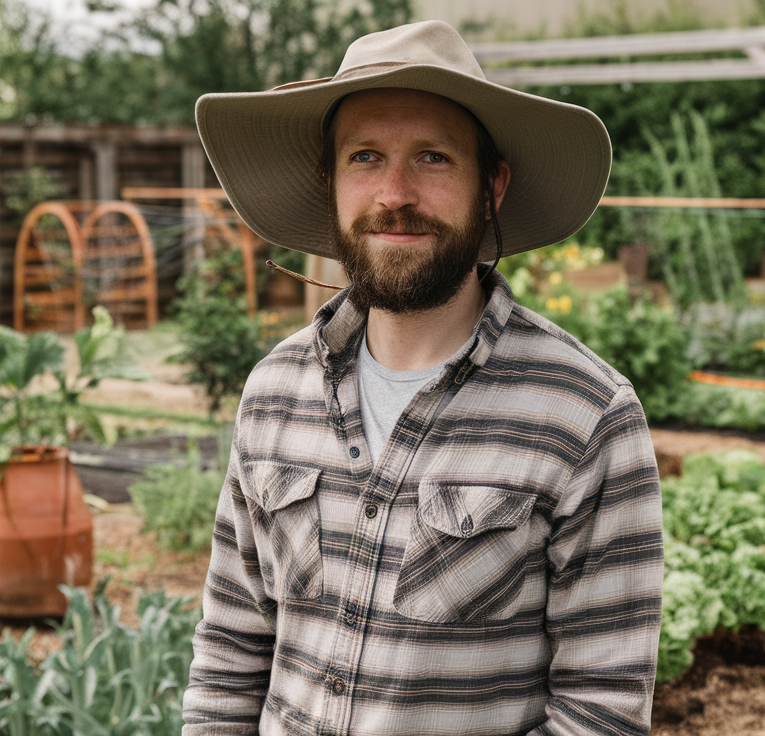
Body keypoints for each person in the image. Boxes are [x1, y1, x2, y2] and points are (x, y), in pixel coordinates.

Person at [182, 19, 664, 736]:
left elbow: (602, 710)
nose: (394, 193)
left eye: (433, 158)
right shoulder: (274, 391)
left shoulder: (585, 414)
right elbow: (229, 655)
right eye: (365, 157)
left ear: (491, 186)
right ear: (331, 182)